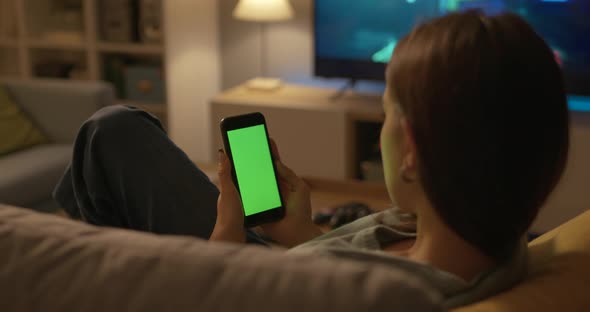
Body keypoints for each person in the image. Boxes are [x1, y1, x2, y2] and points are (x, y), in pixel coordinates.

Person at [54, 10, 569, 309]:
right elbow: (360, 261)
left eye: (386, 112)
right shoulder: (484, 233)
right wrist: (300, 232)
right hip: (277, 253)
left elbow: (212, 299)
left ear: (410, 149)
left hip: (228, 269)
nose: (383, 126)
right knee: (118, 129)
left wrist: (230, 226)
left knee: (109, 136)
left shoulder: (370, 298)